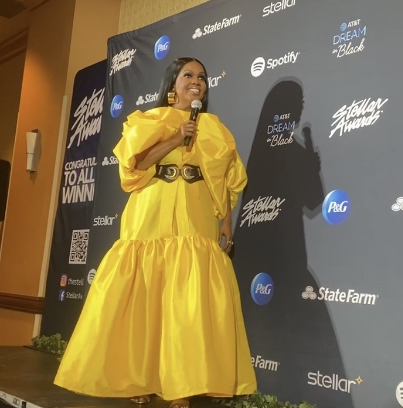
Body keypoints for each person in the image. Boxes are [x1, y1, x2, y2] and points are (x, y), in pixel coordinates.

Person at [54, 57, 257, 408]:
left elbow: (224, 180)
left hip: (197, 213)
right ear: (172, 84)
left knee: (188, 302)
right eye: (188, 75)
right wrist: (177, 137)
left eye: (203, 77)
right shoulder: (146, 120)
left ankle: (181, 384)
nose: (197, 82)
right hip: (151, 209)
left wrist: (225, 218)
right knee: (146, 295)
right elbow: (135, 166)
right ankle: (139, 377)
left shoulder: (214, 128)